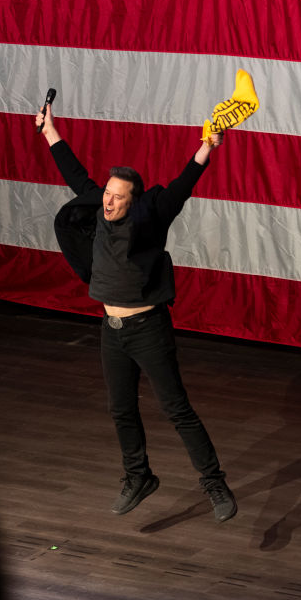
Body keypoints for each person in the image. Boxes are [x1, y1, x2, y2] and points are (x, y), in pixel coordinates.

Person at [35, 103, 237, 522]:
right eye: (106, 194)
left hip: (148, 328)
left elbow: (181, 186)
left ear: (134, 200)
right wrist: (49, 131)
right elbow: (75, 176)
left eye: (116, 197)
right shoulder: (98, 210)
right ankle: (138, 476)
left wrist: (206, 148)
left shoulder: (150, 218)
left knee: (176, 408)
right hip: (112, 330)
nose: (107, 202)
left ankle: (214, 482)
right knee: (121, 408)